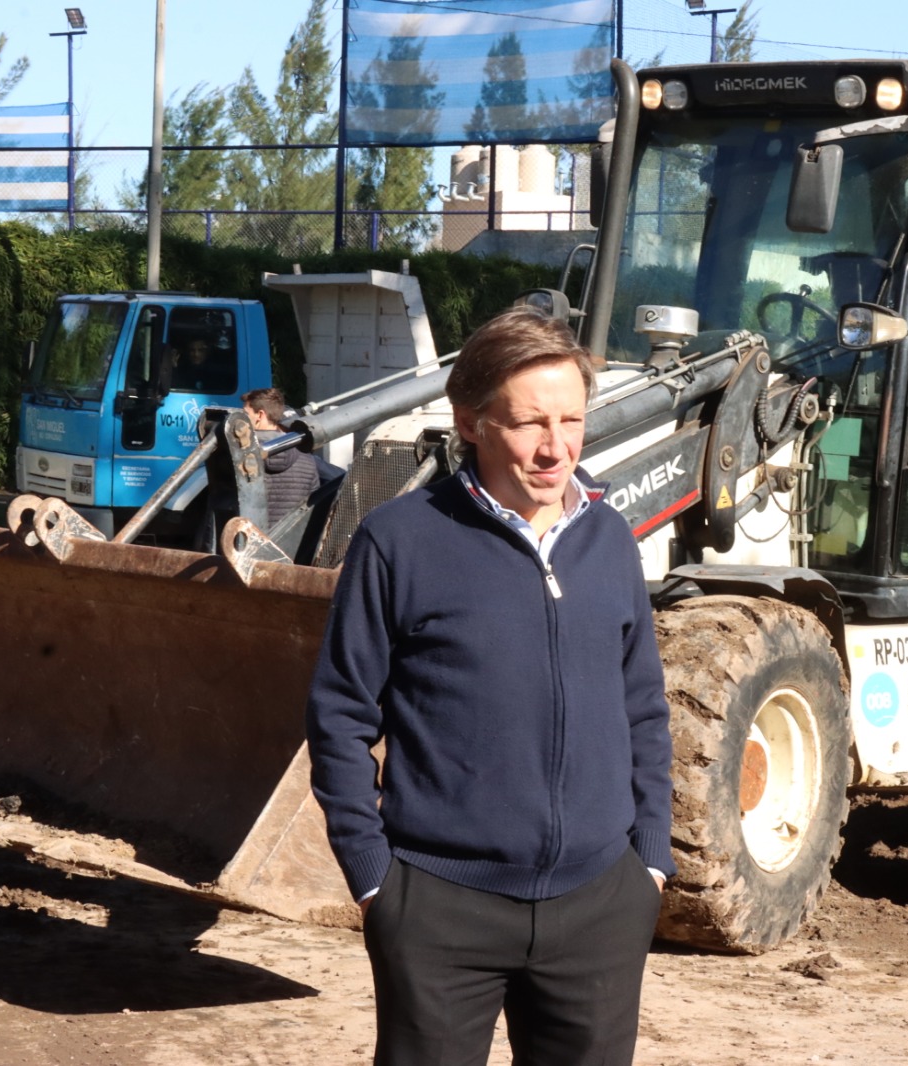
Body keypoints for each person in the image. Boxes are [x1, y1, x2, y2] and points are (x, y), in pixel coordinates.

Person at [305, 305, 674, 1066]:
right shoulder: (399, 541)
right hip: (439, 907)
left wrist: (649, 861)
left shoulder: (609, 539)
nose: (555, 447)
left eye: (571, 421)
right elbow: (340, 715)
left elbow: (643, 708)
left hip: (601, 906)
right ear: (469, 422)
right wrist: (376, 882)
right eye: (529, 423)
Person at [241, 387, 320, 529]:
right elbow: (314, 508)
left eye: (245, 413)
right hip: (290, 541)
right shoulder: (307, 459)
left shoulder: (240, 455)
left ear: (260, 415)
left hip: (248, 538)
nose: (241, 419)